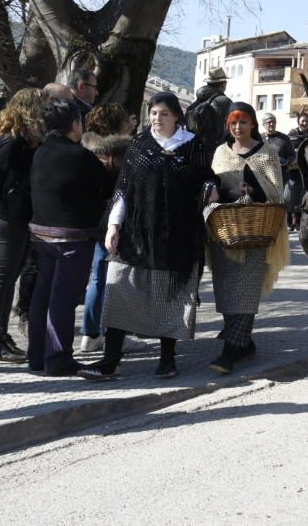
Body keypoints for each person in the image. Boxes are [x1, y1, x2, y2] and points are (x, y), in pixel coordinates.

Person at [79, 92, 216, 381]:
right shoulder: (139, 145)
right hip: (136, 235)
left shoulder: (192, 147)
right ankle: (111, 360)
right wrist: (114, 225)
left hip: (175, 234)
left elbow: (206, 178)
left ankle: (167, 359)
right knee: (118, 291)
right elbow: (123, 189)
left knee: (169, 297)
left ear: (176, 116)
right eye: (153, 113)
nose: (156, 118)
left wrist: (210, 188)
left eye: (163, 113)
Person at [27, 99, 113, 375]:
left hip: (40, 234)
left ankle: (38, 355)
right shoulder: (79, 156)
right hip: (72, 238)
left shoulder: (40, 152)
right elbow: (107, 186)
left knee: (42, 296)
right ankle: (58, 359)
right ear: (74, 124)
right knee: (62, 299)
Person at [207, 103, 289, 374]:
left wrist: (253, 190)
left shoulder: (267, 153)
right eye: (233, 122)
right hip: (226, 233)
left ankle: (230, 350)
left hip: (256, 232)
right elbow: (215, 187)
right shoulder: (220, 153)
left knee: (245, 290)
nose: (238, 127)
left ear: (252, 124)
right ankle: (243, 341)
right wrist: (229, 192)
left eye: (243, 122)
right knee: (227, 289)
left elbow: (276, 194)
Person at [78, 104, 146, 354]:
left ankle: (90, 333)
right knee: (120, 280)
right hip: (120, 221)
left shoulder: (85, 148)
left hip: (93, 221)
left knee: (98, 277)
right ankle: (116, 336)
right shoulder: (126, 151)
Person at [0, 88, 46, 362]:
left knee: (8, 279)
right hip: (5, 219)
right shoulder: (11, 142)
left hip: (18, 219)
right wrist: (18, 194)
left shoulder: (27, 142)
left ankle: (1, 335)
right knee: (1, 280)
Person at [186, 67, 233, 154]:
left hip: (194, 150)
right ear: (223, 84)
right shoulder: (224, 101)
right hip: (217, 152)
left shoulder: (198, 101)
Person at [286, 112, 308, 231]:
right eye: (303, 121)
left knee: (302, 197)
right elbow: (287, 150)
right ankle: (289, 222)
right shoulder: (291, 135)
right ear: (298, 122)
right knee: (289, 196)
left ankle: (297, 223)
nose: (305, 123)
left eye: (307, 121)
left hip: (306, 171)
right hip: (292, 171)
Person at [261, 113, 296, 184]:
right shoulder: (259, 138)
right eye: (268, 122)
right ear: (263, 124)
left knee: (278, 195)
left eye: (273, 121)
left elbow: (292, 154)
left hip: (280, 174)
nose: (271, 124)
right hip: (263, 174)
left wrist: (287, 162)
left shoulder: (284, 138)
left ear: (276, 123)